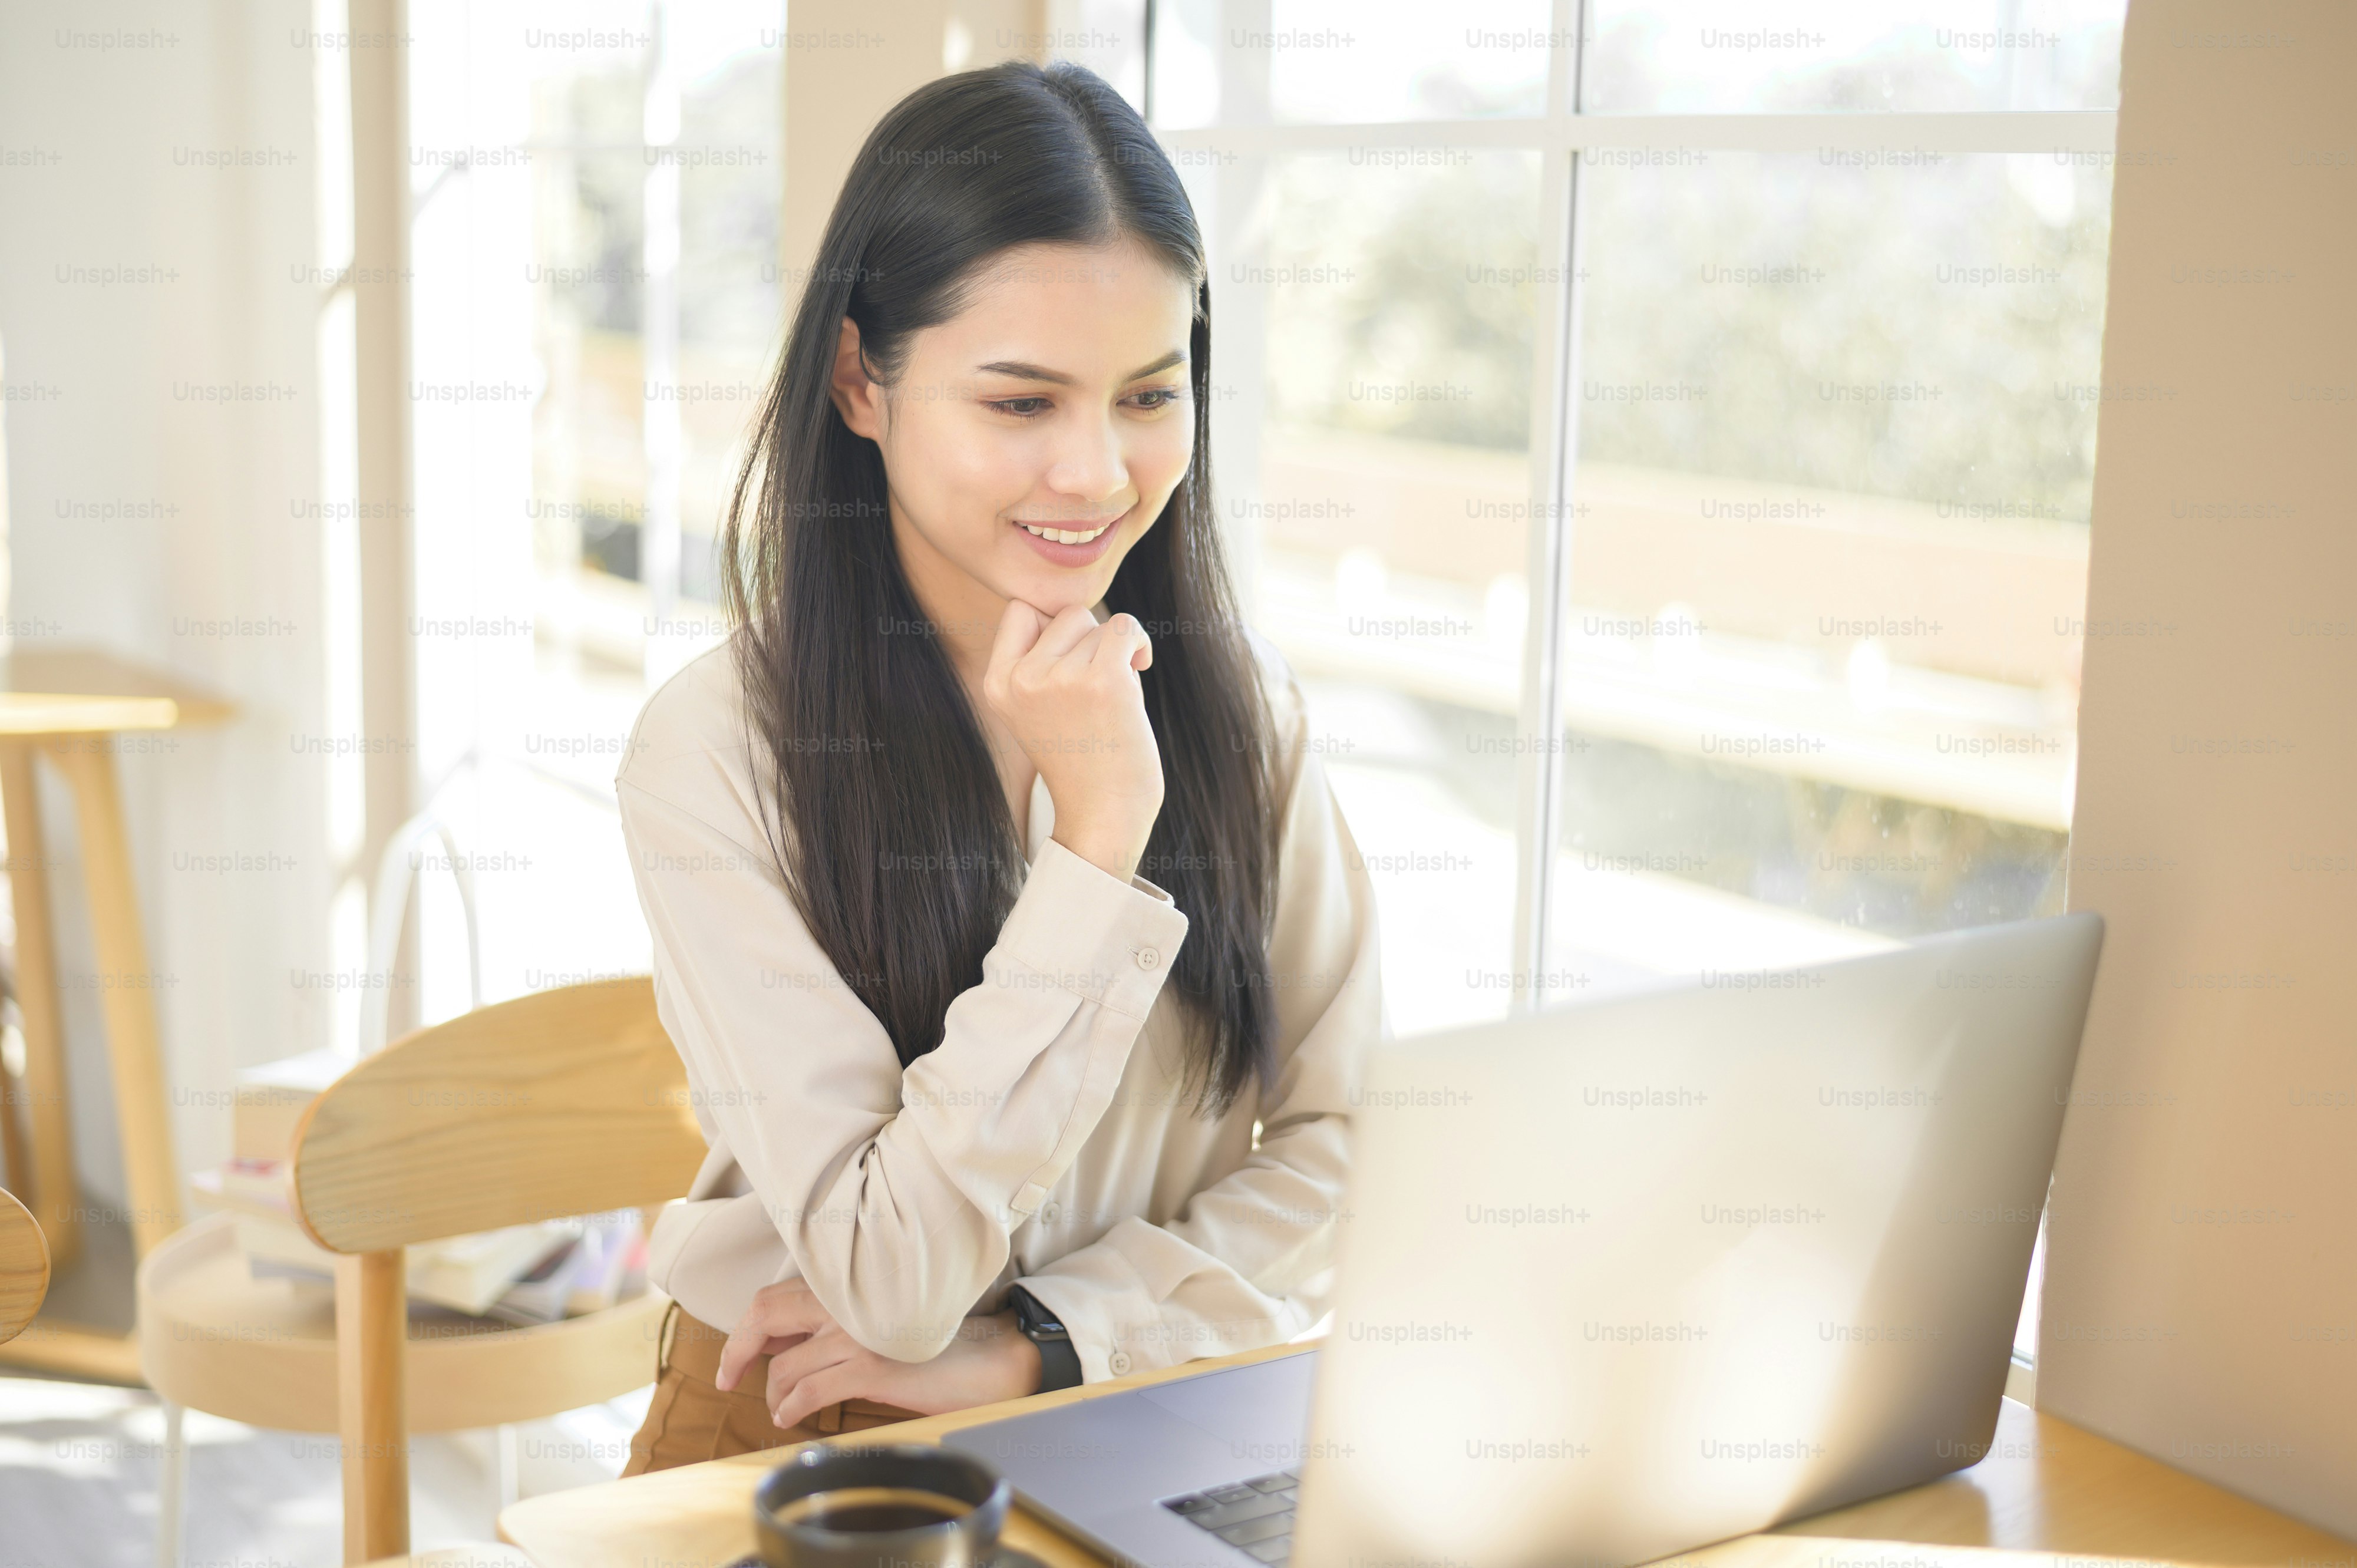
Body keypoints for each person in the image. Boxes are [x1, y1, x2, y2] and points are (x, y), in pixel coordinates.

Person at [615, 58, 1380, 1474]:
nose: (1096, 473)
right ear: (860, 379)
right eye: (1021, 404)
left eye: (1148, 395)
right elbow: (887, 1282)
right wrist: (1096, 846)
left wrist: (1050, 1334)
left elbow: (1356, 1147)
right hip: (806, 1431)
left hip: (1154, 1408)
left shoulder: (1241, 707)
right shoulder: (719, 749)